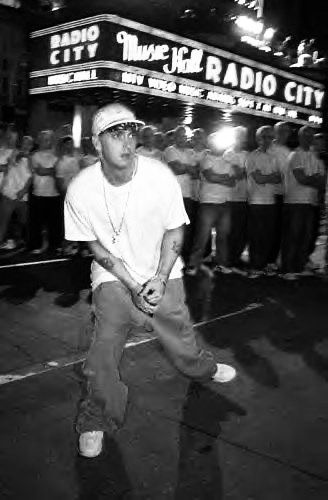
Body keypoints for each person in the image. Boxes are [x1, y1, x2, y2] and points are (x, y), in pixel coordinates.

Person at [64, 103, 236, 458]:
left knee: (180, 337)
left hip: (164, 268)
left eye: (130, 132)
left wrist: (158, 277)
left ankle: (202, 369)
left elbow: (175, 229)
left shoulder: (158, 175)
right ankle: (96, 417)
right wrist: (130, 284)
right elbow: (95, 247)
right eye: (115, 134)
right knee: (104, 348)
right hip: (113, 275)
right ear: (97, 143)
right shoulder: (81, 189)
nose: (126, 141)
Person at [186, 132, 236, 275]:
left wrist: (217, 177)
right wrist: (223, 178)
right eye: (215, 142)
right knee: (202, 236)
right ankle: (193, 264)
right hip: (208, 202)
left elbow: (232, 182)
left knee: (223, 236)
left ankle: (221, 263)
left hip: (224, 202)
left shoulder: (227, 161)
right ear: (210, 144)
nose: (218, 145)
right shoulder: (206, 159)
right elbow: (210, 176)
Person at [282, 126, 326, 279]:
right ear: (300, 137)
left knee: (306, 237)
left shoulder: (316, 158)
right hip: (295, 202)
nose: (308, 138)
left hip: (311, 203)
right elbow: (301, 178)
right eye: (305, 135)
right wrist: (314, 178)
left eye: (311, 136)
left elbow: (322, 183)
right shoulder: (295, 155)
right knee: (293, 236)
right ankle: (288, 269)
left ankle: (299, 267)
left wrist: (311, 178)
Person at [246, 126, 281, 278]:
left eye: (270, 137)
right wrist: (270, 177)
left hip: (270, 201)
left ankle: (264, 264)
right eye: (264, 136)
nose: (267, 140)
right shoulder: (252, 156)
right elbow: (258, 179)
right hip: (256, 201)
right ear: (258, 138)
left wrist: (266, 177)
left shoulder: (274, 157)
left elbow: (279, 177)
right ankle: (255, 266)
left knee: (267, 235)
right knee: (256, 235)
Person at [163, 125, 198, 264]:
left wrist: (186, 168)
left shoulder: (191, 152)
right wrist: (188, 168)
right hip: (173, 196)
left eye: (185, 136)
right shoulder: (169, 150)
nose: (182, 138)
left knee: (186, 230)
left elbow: (196, 172)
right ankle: (172, 259)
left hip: (188, 196)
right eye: (179, 136)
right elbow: (176, 169)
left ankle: (184, 259)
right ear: (175, 137)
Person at [29, 130, 62, 254]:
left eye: (48, 139)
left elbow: (58, 170)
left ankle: (54, 245)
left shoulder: (56, 155)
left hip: (54, 193)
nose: (46, 141)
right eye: (44, 139)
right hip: (39, 193)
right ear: (39, 140)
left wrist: (50, 170)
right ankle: (38, 245)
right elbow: (40, 171)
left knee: (54, 223)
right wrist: (52, 170)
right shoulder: (35, 155)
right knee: (39, 222)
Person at [0, 135, 33, 250]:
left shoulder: (31, 159)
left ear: (32, 145)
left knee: (22, 220)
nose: (26, 145)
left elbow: (31, 177)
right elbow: (15, 158)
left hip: (22, 195)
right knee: (4, 220)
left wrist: (23, 191)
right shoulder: (14, 153)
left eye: (29, 143)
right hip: (9, 192)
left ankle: (16, 240)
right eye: (24, 142)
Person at [223, 126, 248, 273]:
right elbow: (235, 175)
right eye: (238, 135)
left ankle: (236, 258)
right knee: (229, 230)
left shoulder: (247, 155)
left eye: (242, 136)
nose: (240, 138)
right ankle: (227, 259)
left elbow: (244, 173)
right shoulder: (228, 154)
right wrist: (241, 171)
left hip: (244, 197)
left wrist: (238, 169)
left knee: (240, 230)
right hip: (230, 197)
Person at [268, 121, 292, 271]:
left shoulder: (288, 151)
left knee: (279, 230)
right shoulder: (269, 149)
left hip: (284, 195)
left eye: (287, 132)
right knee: (269, 229)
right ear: (275, 132)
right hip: (269, 195)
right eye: (281, 131)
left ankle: (273, 259)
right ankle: (266, 259)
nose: (284, 134)